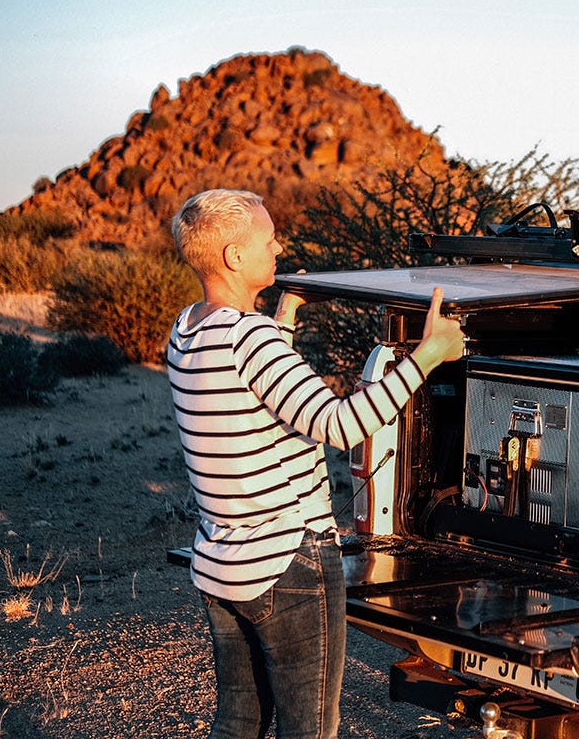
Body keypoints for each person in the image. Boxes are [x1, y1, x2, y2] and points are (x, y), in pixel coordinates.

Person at [166, 189, 465, 739]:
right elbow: (341, 425)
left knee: (238, 722)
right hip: (288, 559)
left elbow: (246, 392)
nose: (279, 246)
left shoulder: (187, 330)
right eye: (267, 238)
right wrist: (427, 355)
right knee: (310, 729)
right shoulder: (248, 338)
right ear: (234, 256)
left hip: (224, 562)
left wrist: (284, 316)